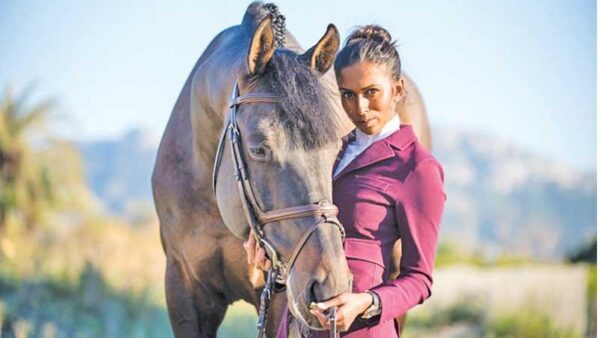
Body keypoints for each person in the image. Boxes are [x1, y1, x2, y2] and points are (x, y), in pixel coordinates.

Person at [244, 25, 446, 337]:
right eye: (348, 95)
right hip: (297, 325)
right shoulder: (328, 152)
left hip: (361, 330)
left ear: (399, 89)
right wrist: (271, 250)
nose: (359, 108)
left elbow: (419, 278)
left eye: (371, 93)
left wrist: (367, 302)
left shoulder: (417, 168)